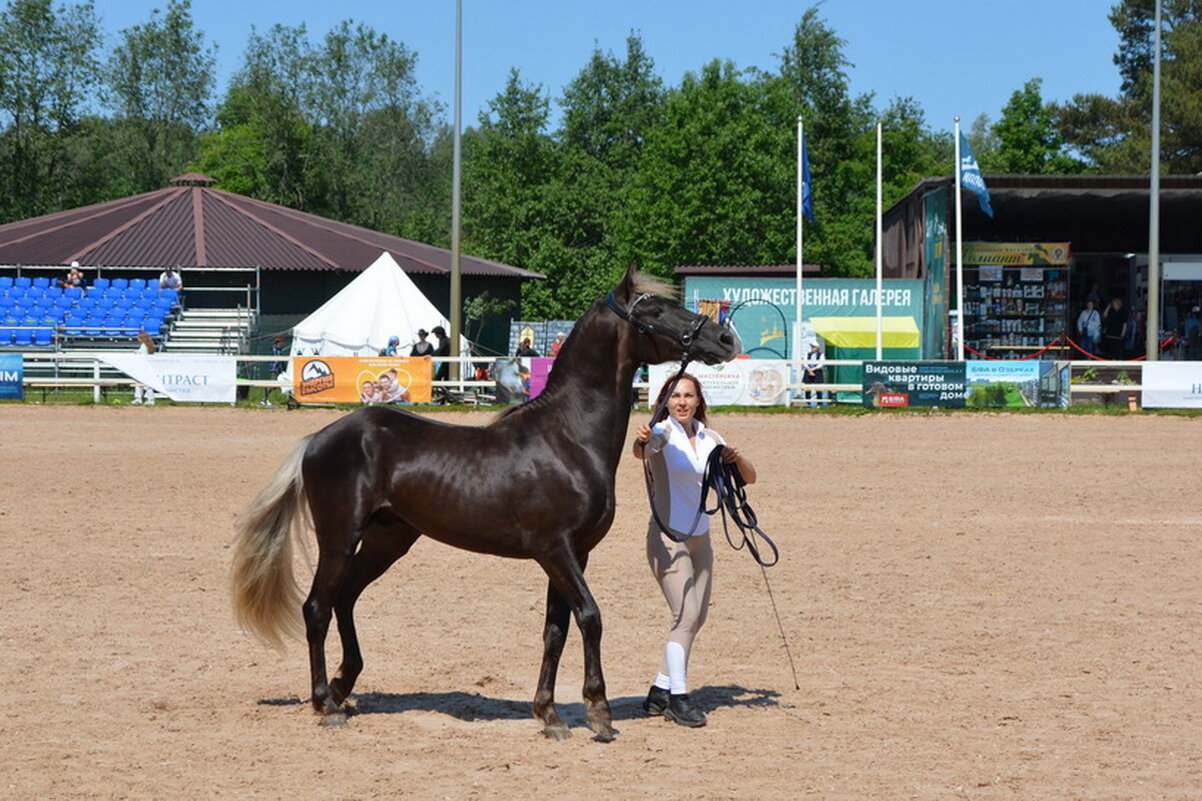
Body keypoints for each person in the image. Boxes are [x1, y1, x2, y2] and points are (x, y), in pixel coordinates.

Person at [631, 372, 757, 728]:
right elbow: (641, 451)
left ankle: (660, 689)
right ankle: (678, 698)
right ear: (665, 402)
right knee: (684, 616)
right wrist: (641, 439)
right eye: (675, 396)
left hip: (701, 537)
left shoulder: (710, 437)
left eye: (688, 395)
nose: (682, 402)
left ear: (698, 400)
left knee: (697, 617)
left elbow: (749, 478)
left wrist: (736, 457)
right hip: (668, 538)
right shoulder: (661, 433)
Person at [133, 331, 156, 405]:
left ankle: (143, 398)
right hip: (147, 367)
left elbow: (142, 355)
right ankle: (143, 398)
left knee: (143, 383)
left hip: (143, 367)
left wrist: (136, 353)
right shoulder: (149, 346)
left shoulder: (144, 346)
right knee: (142, 383)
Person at [802, 341, 825, 406]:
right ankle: (807, 403)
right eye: (812, 347)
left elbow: (821, 364)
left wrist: (813, 369)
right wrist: (809, 370)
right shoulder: (807, 354)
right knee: (807, 389)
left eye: (814, 347)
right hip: (808, 370)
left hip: (817, 372)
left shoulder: (821, 355)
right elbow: (805, 363)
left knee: (818, 388)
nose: (812, 348)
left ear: (817, 348)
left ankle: (819, 404)